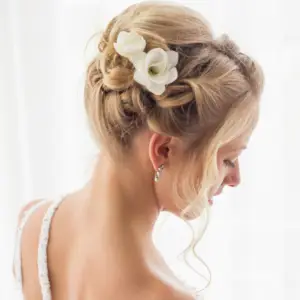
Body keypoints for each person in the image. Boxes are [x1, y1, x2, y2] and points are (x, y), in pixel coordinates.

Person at [13, 1, 264, 299]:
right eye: (227, 159)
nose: (235, 179)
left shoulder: (33, 225)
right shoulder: (163, 295)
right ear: (163, 151)